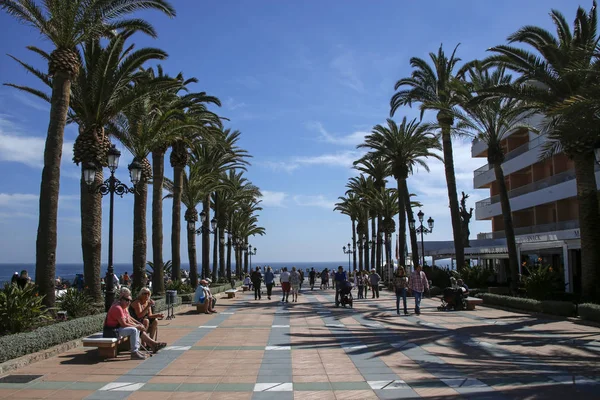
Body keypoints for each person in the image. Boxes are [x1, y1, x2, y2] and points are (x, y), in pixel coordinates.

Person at [103, 288, 165, 359]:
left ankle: (149, 345)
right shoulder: (118, 308)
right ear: (121, 299)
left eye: (130, 300)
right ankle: (135, 352)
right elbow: (124, 324)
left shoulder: (124, 307)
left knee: (137, 328)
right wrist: (137, 326)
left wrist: (138, 324)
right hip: (112, 331)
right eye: (127, 300)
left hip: (118, 328)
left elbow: (129, 318)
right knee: (134, 330)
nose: (129, 302)